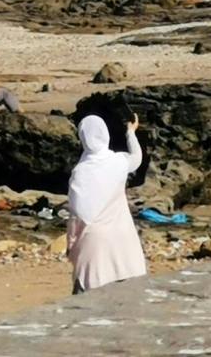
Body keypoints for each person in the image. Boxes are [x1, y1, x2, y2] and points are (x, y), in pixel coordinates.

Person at [66, 113, 146, 293]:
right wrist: (130, 132)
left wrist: (70, 243)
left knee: (86, 299)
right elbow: (137, 158)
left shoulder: (80, 172)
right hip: (124, 239)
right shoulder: (118, 162)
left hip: (94, 243)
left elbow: (77, 214)